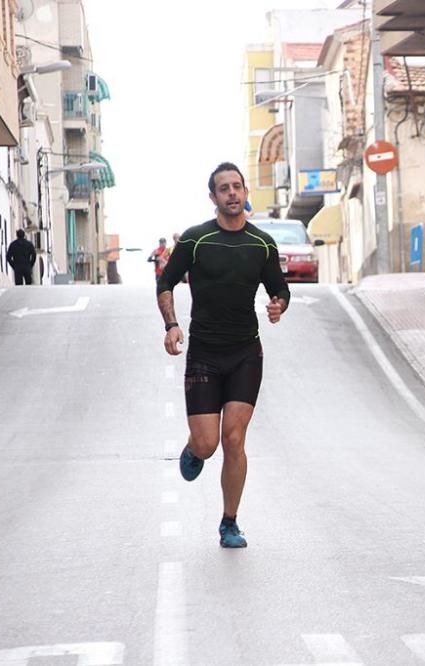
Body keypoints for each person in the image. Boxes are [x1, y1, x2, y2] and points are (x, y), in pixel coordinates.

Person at [156, 162, 290, 548]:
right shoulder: (197, 240)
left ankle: (229, 521)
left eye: (237, 186)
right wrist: (171, 325)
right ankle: (194, 449)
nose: (231, 193)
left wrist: (279, 305)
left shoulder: (262, 243)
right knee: (207, 444)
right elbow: (166, 281)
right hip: (204, 354)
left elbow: (279, 289)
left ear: (245, 192)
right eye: (223, 188)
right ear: (213, 197)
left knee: (233, 439)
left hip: (246, 352)